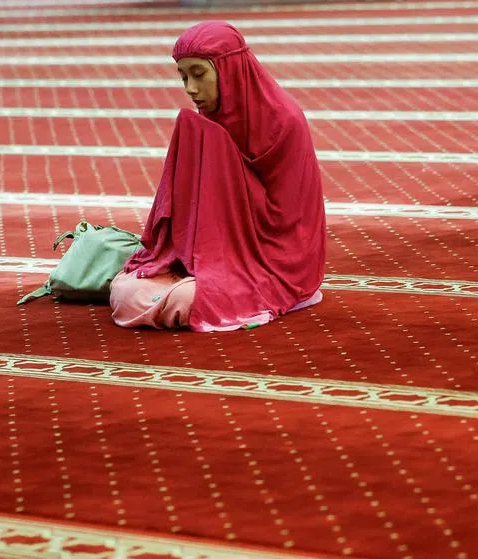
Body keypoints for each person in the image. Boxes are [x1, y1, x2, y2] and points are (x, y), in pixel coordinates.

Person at [110, 21, 327, 331]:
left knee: (187, 299)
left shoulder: (284, 122)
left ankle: (284, 297)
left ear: (230, 69)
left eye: (199, 74)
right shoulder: (210, 119)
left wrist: (217, 152)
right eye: (183, 77)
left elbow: (289, 226)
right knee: (127, 290)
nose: (191, 89)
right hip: (210, 252)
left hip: (273, 263)